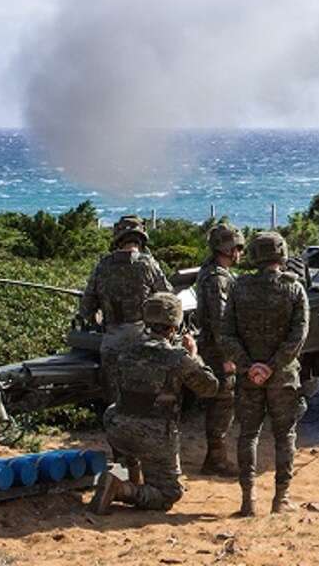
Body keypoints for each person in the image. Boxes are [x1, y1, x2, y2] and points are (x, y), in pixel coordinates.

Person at [90, 293, 219, 514]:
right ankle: (123, 490)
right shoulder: (177, 357)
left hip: (118, 425)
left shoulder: (125, 350)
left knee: (126, 448)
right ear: (174, 326)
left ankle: (117, 478)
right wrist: (194, 355)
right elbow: (209, 387)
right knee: (169, 494)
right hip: (154, 434)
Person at [220, 232, 308, 516]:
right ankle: (280, 499)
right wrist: (272, 365)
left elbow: (226, 334)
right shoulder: (294, 289)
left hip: (248, 378)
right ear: (281, 254)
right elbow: (299, 335)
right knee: (285, 436)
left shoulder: (238, 287)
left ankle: (248, 501)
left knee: (248, 435)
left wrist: (249, 366)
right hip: (283, 377)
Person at [79, 215, 174, 401]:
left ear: (118, 239)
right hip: (144, 339)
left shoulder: (102, 266)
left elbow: (86, 306)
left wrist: (96, 318)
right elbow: (168, 298)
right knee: (143, 397)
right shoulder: (148, 264)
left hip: (112, 341)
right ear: (141, 239)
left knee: (114, 401)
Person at [194, 222, 246, 476]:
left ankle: (215, 457)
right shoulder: (216, 278)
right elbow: (219, 319)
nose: (240, 253)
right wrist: (228, 356)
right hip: (218, 350)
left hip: (213, 346)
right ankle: (216, 459)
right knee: (223, 402)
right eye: (237, 247)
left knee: (221, 402)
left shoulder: (211, 273)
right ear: (227, 248)